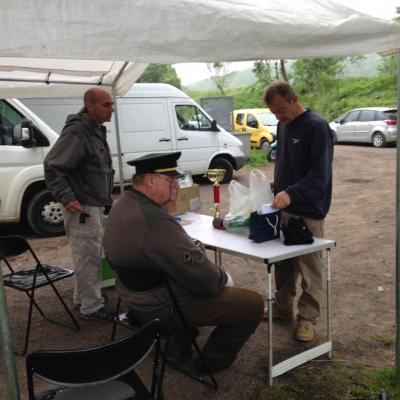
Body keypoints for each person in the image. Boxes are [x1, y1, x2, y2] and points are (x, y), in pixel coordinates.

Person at [103, 152, 264, 375]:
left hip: (133, 297)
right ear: (151, 180)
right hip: (158, 305)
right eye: (172, 181)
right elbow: (205, 278)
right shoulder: (155, 221)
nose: (177, 187)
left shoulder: (123, 205)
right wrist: (222, 276)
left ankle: (177, 338)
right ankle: (206, 365)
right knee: (251, 303)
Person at [263, 81, 333, 342]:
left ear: (295, 99)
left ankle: (307, 320)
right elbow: (287, 162)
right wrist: (278, 185)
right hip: (284, 208)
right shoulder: (283, 125)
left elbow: (319, 176)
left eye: (281, 110)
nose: (279, 117)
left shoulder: (316, 127)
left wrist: (291, 192)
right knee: (283, 266)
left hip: (308, 211)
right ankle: (282, 310)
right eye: (274, 113)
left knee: (310, 269)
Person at [44, 87, 114, 322]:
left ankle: (82, 299)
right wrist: (67, 198)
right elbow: (53, 166)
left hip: (93, 204)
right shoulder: (78, 132)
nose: (111, 109)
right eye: (106, 105)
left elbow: (96, 168)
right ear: (89, 105)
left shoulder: (94, 130)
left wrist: (106, 196)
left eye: (111, 104)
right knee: (88, 257)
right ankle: (92, 308)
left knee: (88, 255)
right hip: (82, 207)